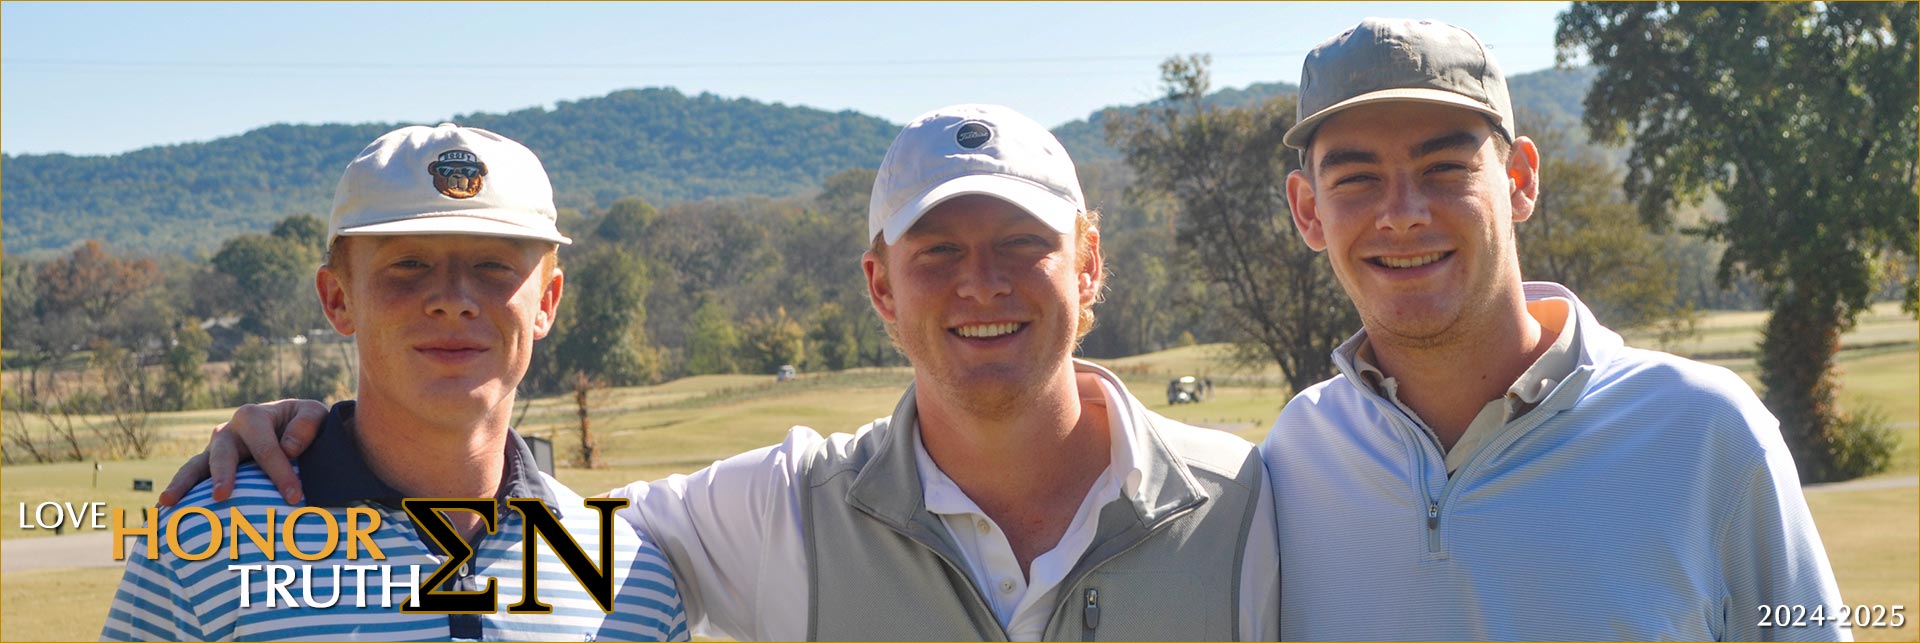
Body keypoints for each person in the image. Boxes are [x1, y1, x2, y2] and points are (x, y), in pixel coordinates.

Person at [160, 105, 1278, 641]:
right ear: (882, 287)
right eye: (937, 251)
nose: (979, 284)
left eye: (1022, 246)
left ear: (1088, 264)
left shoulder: (1259, 506)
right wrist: (319, 425)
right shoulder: (759, 519)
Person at [1263, 17, 1847, 640]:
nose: (1402, 215)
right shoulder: (1292, 460)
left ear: (1519, 181)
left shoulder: (1706, 432)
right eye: (1357, 178)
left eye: (1444, 167)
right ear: (1308, 211)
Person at [106, 124, 688, 642]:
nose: (453, 301)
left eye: (494, 267)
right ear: (338, 299)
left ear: (547, 303)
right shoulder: (203, 546)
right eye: (408, 265)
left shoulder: (630, 575)